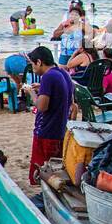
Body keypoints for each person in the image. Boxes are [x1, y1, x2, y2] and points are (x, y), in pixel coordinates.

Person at [28, 46, 72, 185]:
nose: (32, 67)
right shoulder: (62, 73)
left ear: (39, 62)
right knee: (55, 168)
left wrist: (31, 93)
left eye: (32, 63)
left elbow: (41, 106)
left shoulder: (48, 77)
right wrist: (42, 88)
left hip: (47, 130)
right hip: (59, 128)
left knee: (43, 171)